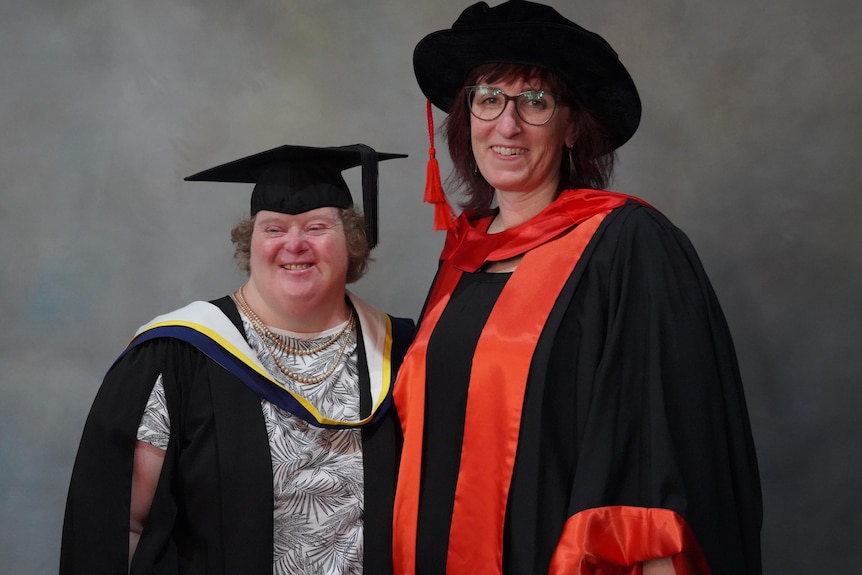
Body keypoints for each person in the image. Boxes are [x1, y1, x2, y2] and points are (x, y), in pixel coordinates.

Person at [391, 1, 762, 574]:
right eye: (488, 98)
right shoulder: (462, 258)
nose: (506, 125)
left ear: (572, 128)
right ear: (467, 118)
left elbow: (659, 445)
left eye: (535, 102)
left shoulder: (627, 245)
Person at [60, 143, 415, 574]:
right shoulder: (178, 355)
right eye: (274, 229)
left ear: (353, 241)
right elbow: (122, 526)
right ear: (251, 244)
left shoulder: (402, 350)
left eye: (317, 226)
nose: (295, 244)